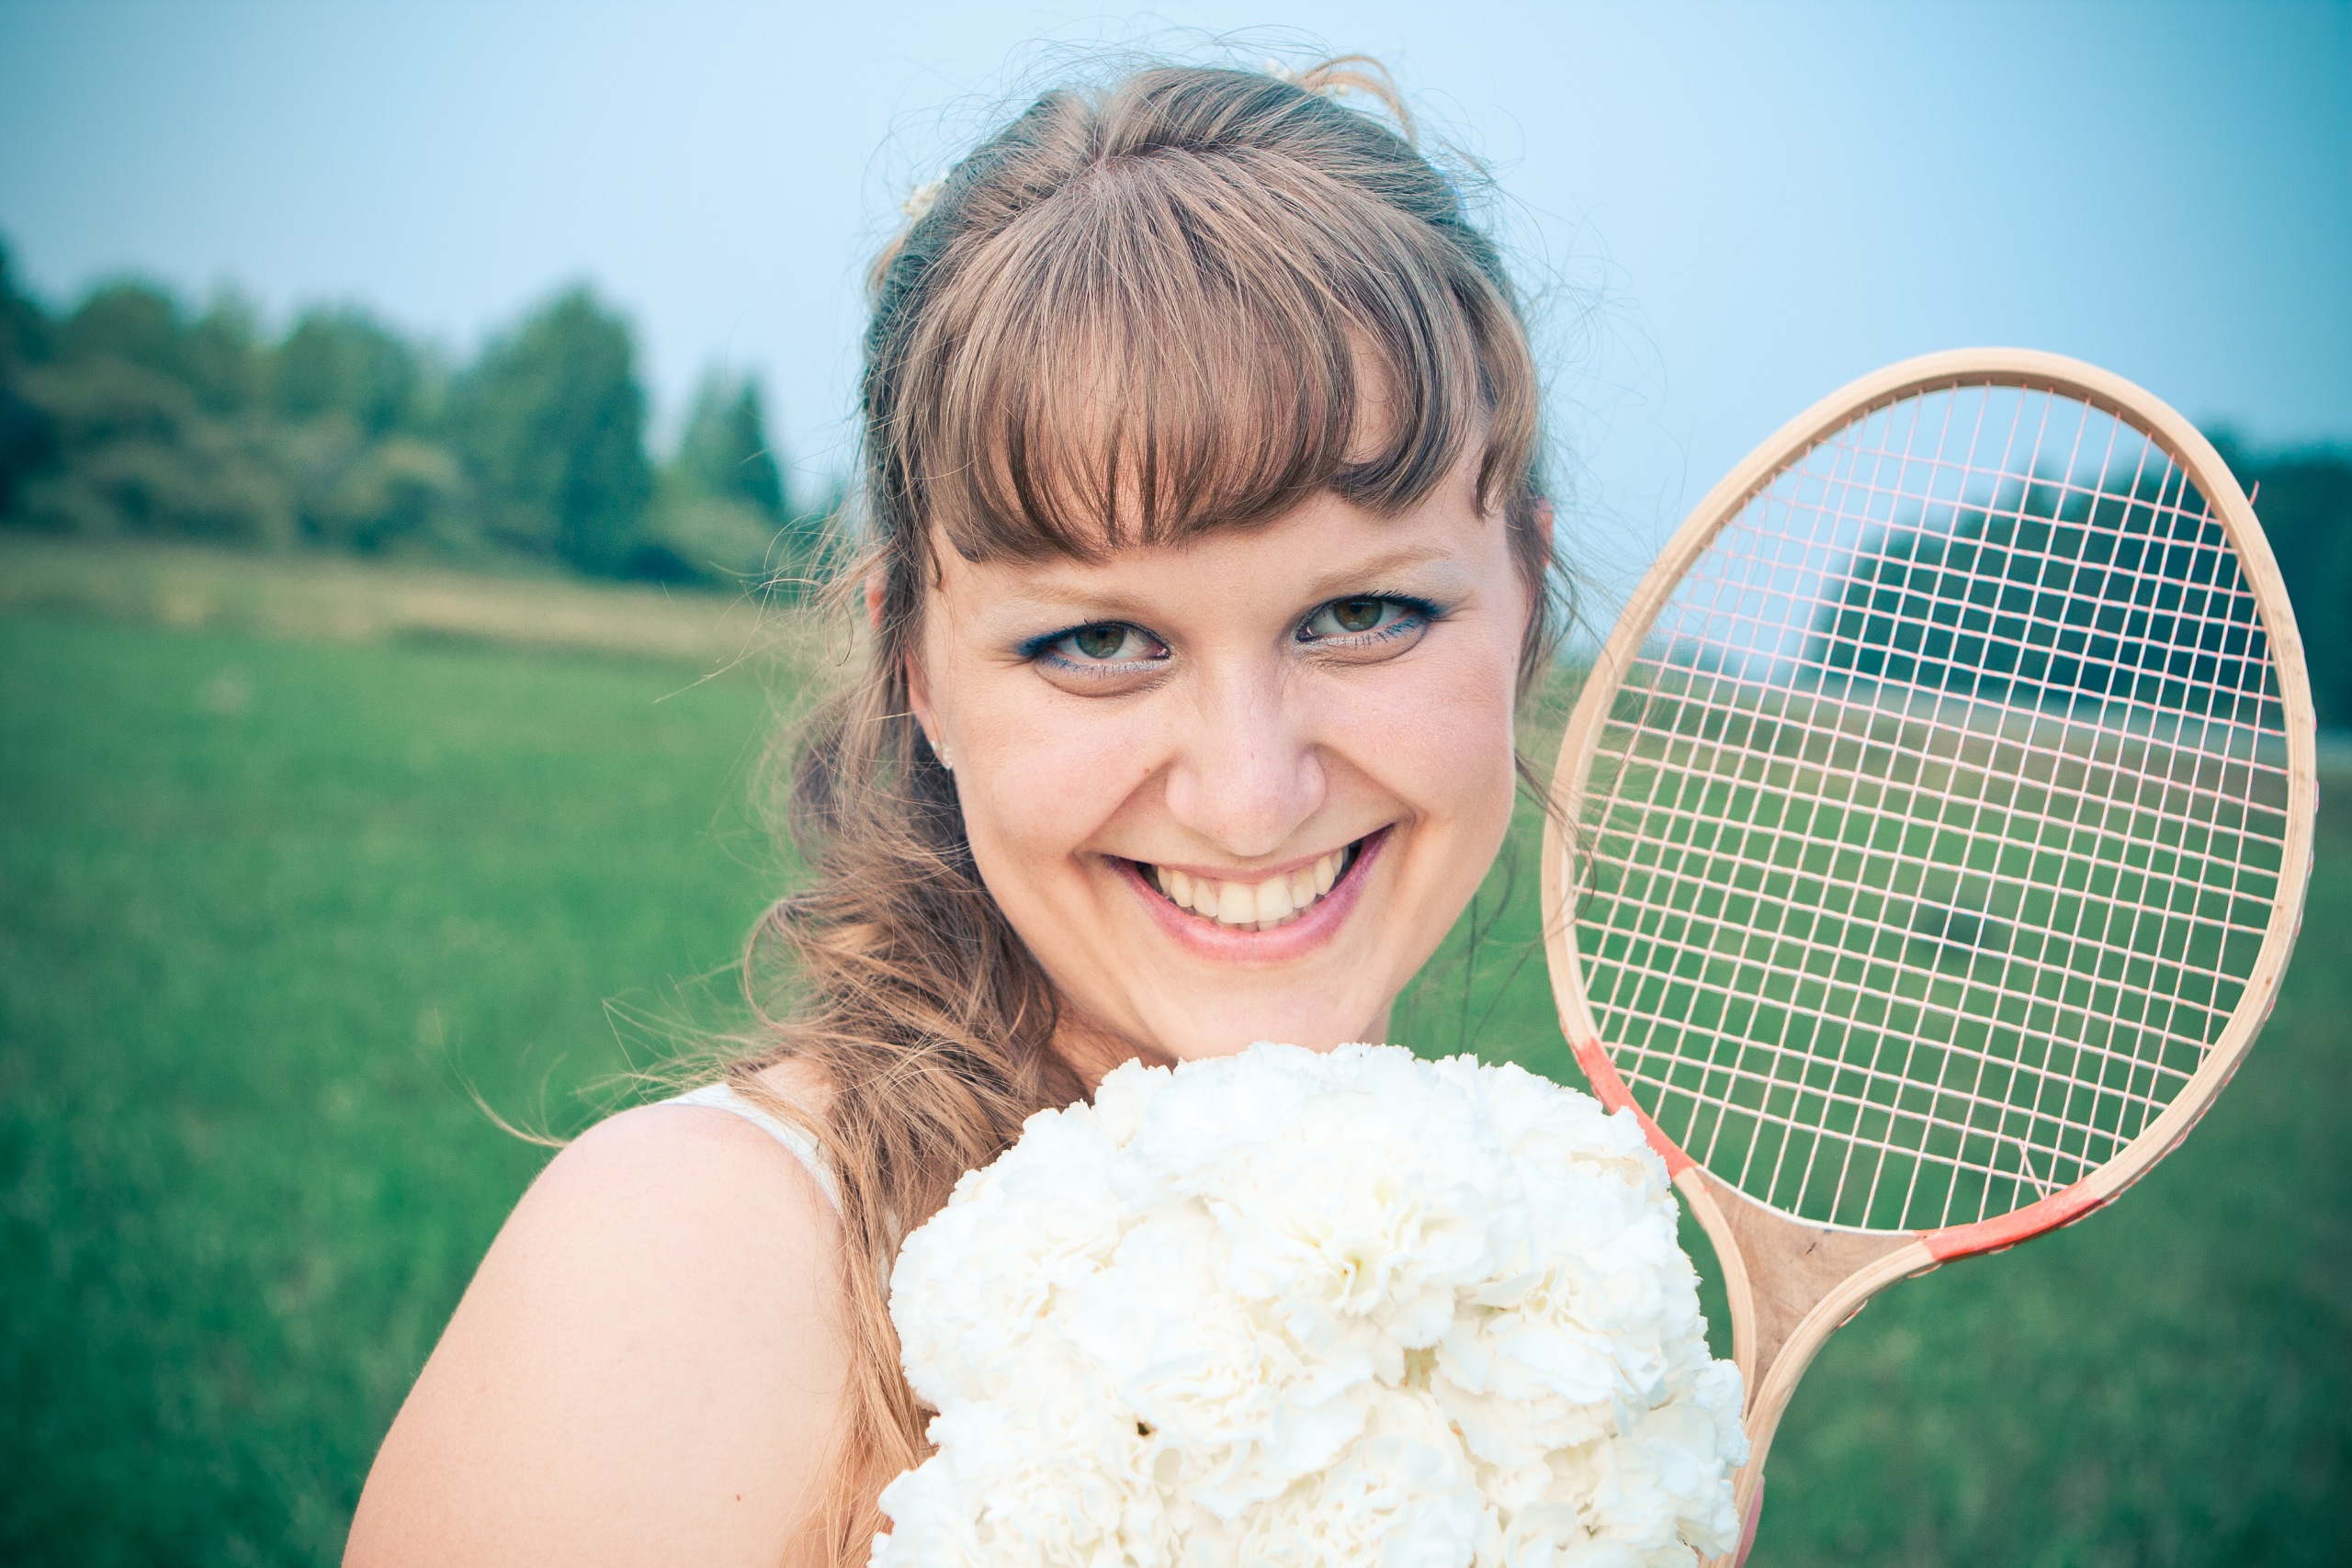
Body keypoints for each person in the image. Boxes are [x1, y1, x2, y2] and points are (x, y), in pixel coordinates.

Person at [345, 54, 1566, 1568]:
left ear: (1527, 593)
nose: (1252, 797)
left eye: (1365, 614)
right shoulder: (685, 1270)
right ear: (915, 663)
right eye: (1099, 641)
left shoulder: (1529, 1319)